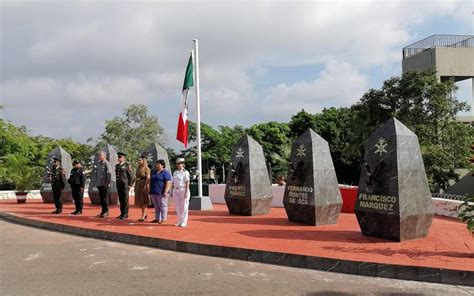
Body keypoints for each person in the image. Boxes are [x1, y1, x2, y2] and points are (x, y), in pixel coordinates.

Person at [149, 159, 172, 224]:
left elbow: (168, 182)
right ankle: (157, 218)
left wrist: (165, 191)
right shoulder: (154, 172)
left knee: (163, 206)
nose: (156, 165)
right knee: (156, 206)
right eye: (156, 164)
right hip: (153, 191)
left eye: (158, 164)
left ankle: (164, 219)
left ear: (162, 165)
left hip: (161, 192)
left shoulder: (165, 173)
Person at [172, 158, 190, 227]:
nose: (178, 165)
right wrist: (171, 190)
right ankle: (179, 220)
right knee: (177, 206)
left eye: (180, 163)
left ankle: (184, 221)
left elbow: (187, 182)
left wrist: (186, 192)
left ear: (183, 165)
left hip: (183, 189)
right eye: (177, 163)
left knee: (184, 206)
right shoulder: (175, 172)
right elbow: (173, 182)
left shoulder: (185, 172)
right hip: (176, 190)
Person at [115, 152, 134, 220]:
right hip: (119, 185)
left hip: (125, 185)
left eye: (120, 157)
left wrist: (130, 184)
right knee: (121, 200)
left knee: (125, 200)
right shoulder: (117, 165)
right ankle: (122, 213)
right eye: (118, 157)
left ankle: (125, 214)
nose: (118, 158)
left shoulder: (126, 165)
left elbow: (131, 176)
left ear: (123, 158)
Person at [95, 151, 112, 218]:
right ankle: (102, 211)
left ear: (104, 156)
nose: (99, 157)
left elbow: (109, 173)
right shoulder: (99, 163)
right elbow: (97, 174)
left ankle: (106, 212)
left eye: (100, 156)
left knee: (105, 198)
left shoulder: (106, 163)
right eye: (99, 155)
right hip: (99, 183)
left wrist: (107, 183)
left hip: (104, 184)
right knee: (101, 199)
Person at [134, 155, 151, 221]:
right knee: (140, 201)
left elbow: (148, 178)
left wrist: (145, 185)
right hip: (138, 184)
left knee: (144, 201)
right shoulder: (138, 168)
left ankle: (143, 215)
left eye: (140, 160)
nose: (138, 161)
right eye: (138, 160)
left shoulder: (146, 168)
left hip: (143, 183)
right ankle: (144, 214)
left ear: (143, 161)